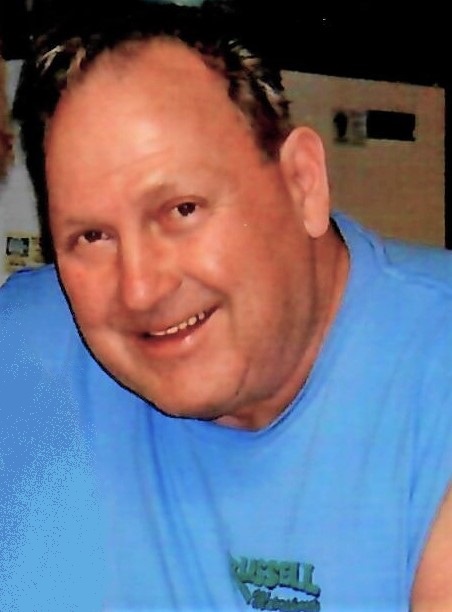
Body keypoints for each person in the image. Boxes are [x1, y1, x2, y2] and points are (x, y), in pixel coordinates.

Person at [1, 2, 451, 610]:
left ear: (302, 183)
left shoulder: (433, 373)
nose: (141, 289)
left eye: (182, 210)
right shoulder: (22, 355)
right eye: (92, 237)